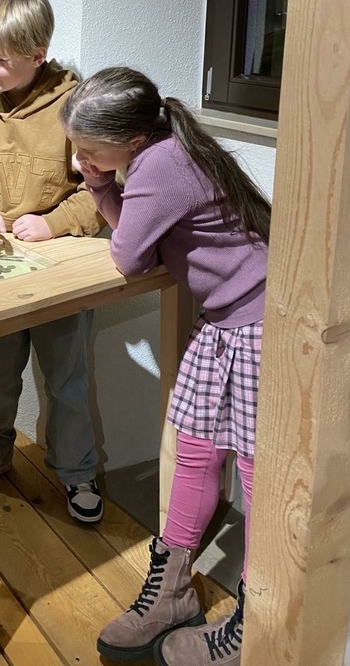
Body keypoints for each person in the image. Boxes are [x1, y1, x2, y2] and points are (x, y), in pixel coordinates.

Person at [60, 66, 269, 666]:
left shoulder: (159, 164)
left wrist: (99, 184)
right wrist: (102, 178)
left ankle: (257, 624)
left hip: (257, 325)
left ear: (131, 140)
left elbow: (129, 256)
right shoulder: (166, 149)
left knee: (258, 475)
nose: (80, 158)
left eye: (89, 148)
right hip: (226, 320)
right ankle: (172, 592)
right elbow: (140, 240)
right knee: (196, 450)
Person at [0, 0, 105, 523]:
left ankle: (77, 471)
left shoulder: (77, 108)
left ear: (38, 55)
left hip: (60, 269)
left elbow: (103, 188)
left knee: (67, 377)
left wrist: (54, 223)